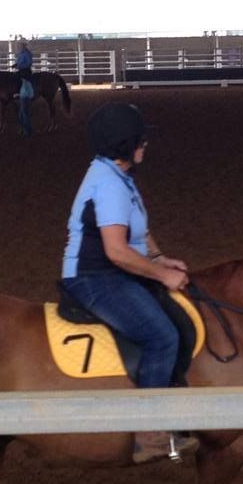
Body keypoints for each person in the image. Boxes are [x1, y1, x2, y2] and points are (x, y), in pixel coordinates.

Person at [61, 103, 198, 464]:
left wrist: (157, 258)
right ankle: (149, 435)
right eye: (141, 139)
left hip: (113, 271)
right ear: (126, 145)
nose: (145, 144)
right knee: (161, 336)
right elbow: (117, 252)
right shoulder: (109, 185)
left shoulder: (119, 177)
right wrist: (163, 275)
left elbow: (139, 231)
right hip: (95, 277)